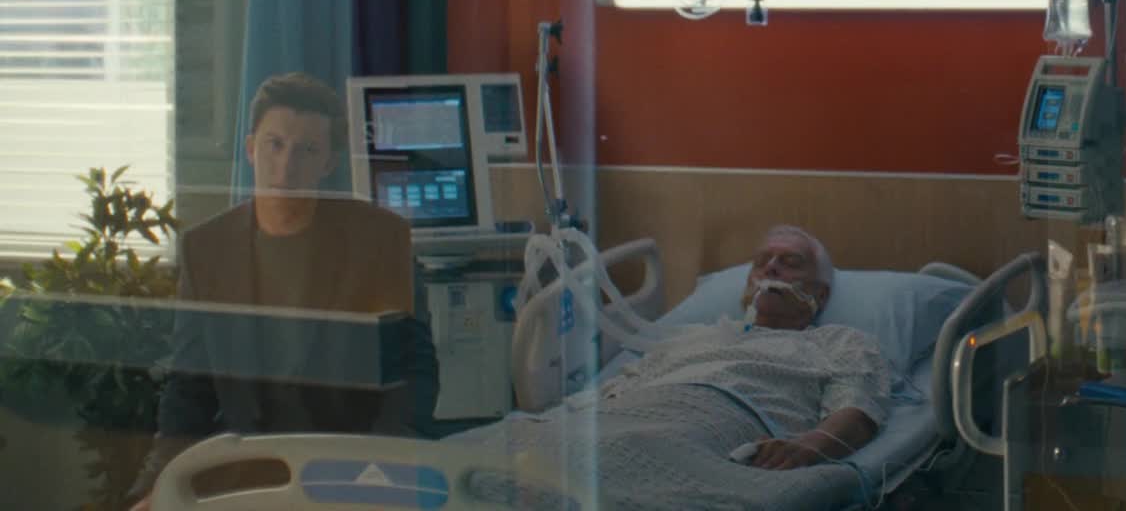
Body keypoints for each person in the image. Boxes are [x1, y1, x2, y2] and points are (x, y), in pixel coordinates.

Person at [128, 74, 438, 507]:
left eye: (306, 150)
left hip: (352, 472)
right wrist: (156, 485)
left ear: (328, 162)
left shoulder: (380, 238)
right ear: (251, 148)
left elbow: (414, 371)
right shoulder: (207, 248)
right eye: (274, 145)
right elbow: (188, 390)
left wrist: (381, 466)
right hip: (247, 476)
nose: (286, 165)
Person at [444, 225, 891, 509]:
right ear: (745, 288)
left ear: (821, 295)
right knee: (479, 457)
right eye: (762, 262)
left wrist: (809, 448)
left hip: (717, 425)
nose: (771, 268)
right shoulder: (689, 336)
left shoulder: (839, 342)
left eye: (790, 264)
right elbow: (615, 393)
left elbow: (857, 408)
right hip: (622, 417)